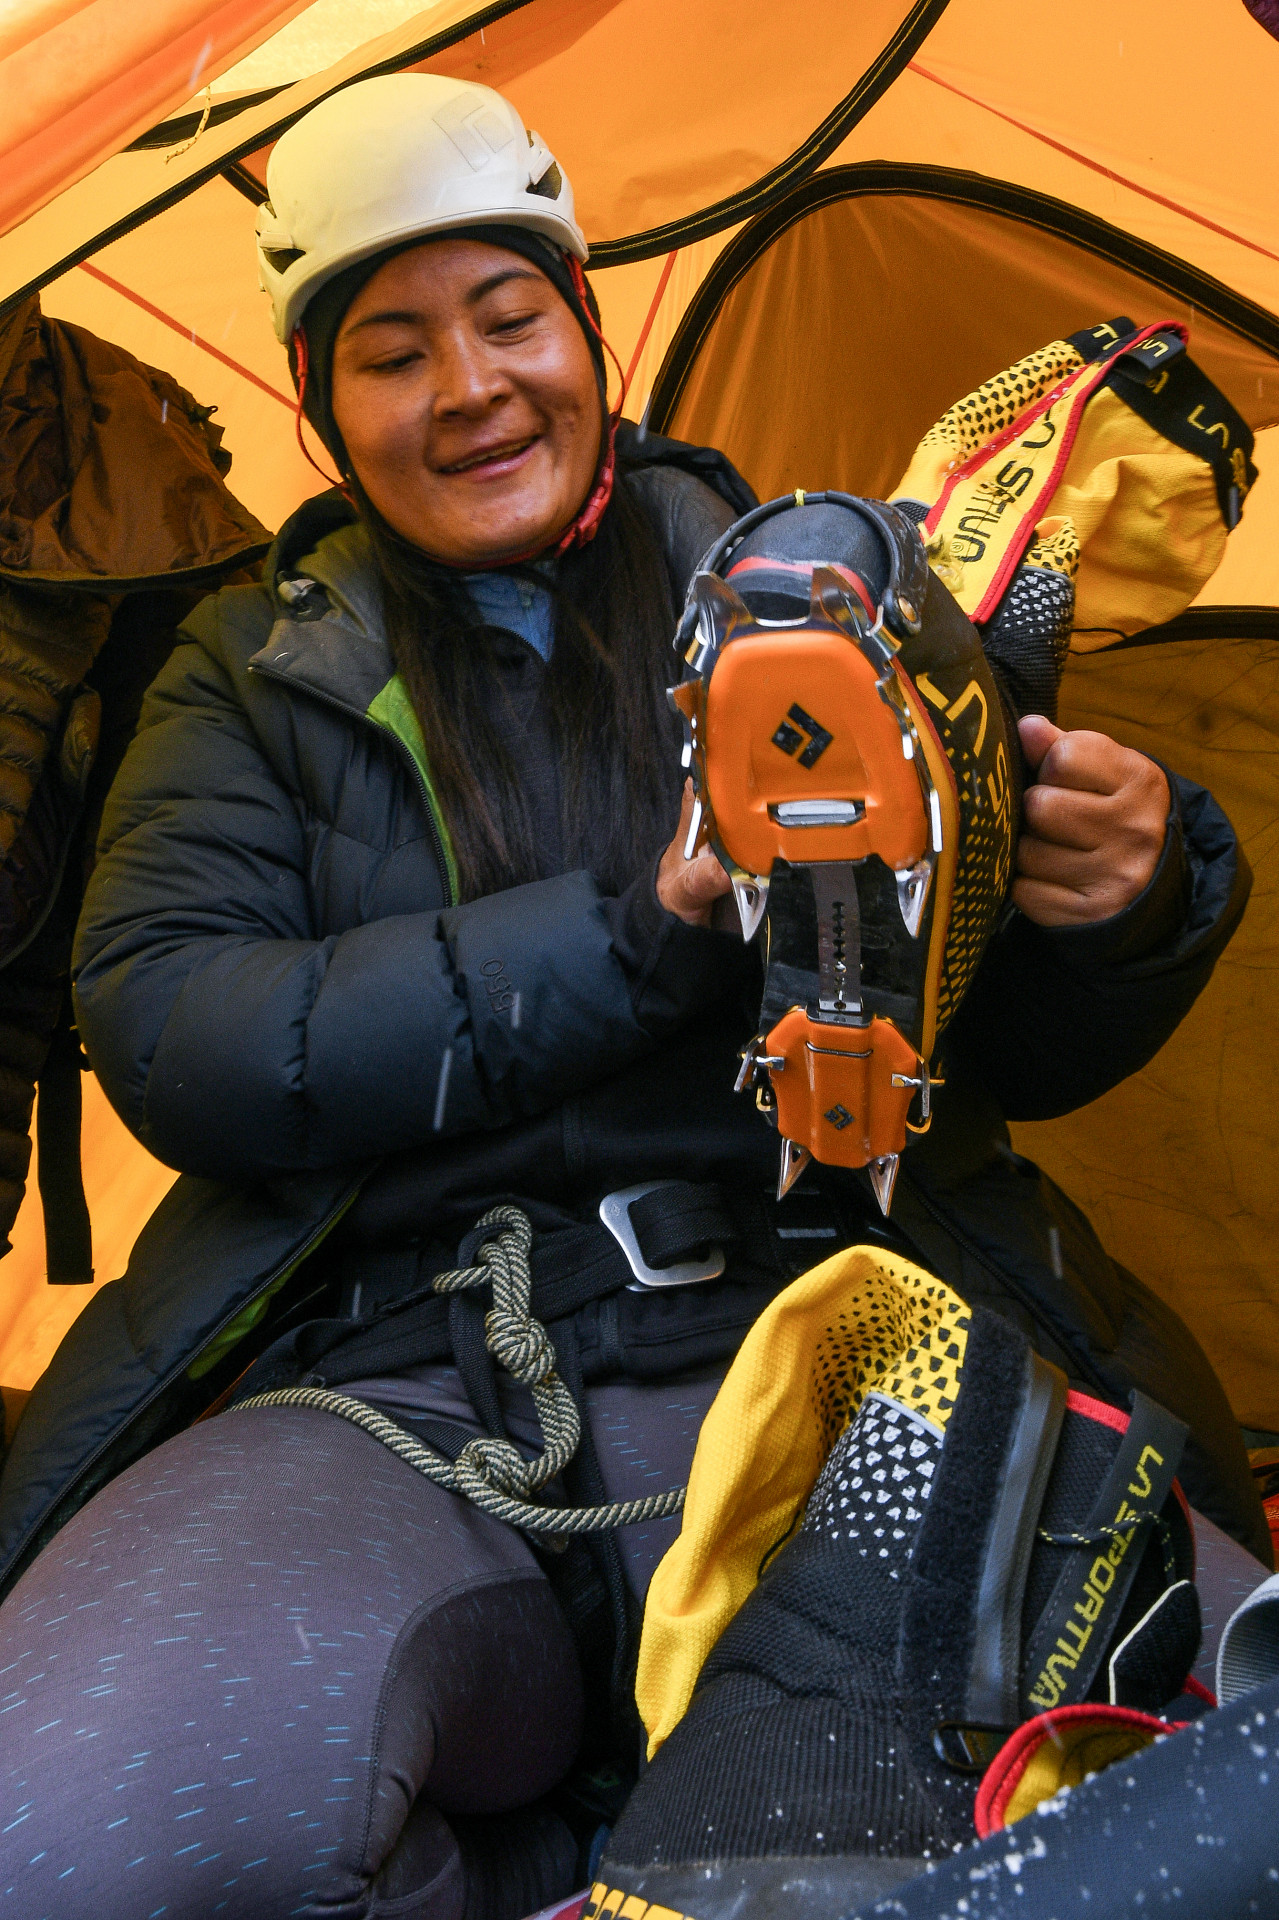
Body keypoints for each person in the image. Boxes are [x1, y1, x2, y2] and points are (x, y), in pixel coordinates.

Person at [0, 71, 1266, 1920]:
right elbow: (178, 1033)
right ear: (322, 407)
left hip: (828, 1320)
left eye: (512, 318)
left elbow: (992, 1055)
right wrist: (642, 930)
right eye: (391, 349)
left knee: (1221, 1742)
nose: (470, 387)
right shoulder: (250, 671)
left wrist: (1129, 897)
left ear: (584, 328)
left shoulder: (813, 602)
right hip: (397, 1384)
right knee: (67, 1841)